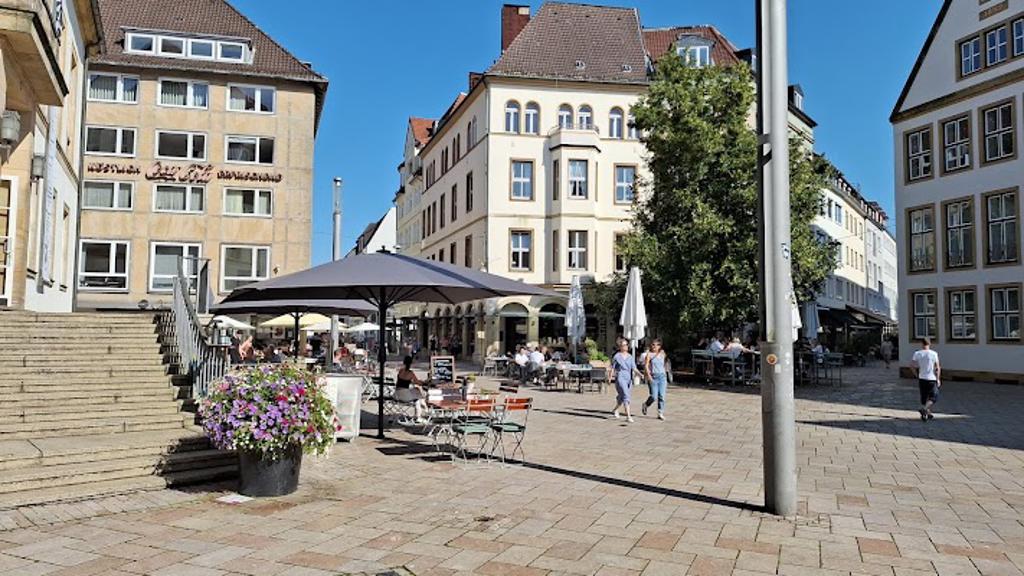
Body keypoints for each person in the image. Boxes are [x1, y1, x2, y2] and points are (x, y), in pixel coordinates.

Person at [911, 338, 940, 422]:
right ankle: (924, 409)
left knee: (924, 397)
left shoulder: (917, 353)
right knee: (934, 397)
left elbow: (911, 366)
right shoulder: (934, 354)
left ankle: (927, 413)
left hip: (922, 378)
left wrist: (916, 374)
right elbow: (937, 368)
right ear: (930, 343)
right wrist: (938, 379)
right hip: (931, 378)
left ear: (922, 344)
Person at [610, 340, 638, 422]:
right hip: (620, 376)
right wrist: (610, 377)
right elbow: (613, 368)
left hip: (628, 378)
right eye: (623, 345)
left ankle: (615, 409)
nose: (625, 346)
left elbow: (634, 368)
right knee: (626, 395)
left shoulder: (630, 357)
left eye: (626, 345)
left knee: (622, 397)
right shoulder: (617, 356)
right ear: (620, 347)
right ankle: (628, 416)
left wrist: (640, 374)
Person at [396, 355, 428, 424]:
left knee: (416, 391)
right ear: (411, 363)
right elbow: (417, 382)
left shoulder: (401, 371)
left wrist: (412, 382)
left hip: (397, 394)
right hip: (404, 396)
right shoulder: (411, 373)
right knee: (417, 396)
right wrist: (424, 382)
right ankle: (419, 415)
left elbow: (404, 380)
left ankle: (424, 406)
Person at [643, 339, 669, 420]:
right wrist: (649, 376)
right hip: (653, 377)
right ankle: (646, 404)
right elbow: (646, 366)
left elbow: (665, 364)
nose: (654, 346)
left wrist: (665, 373)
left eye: (657, 345)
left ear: (659, 346)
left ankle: (660, 412)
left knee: (662, 396)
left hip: (662, 377)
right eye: (653, 344)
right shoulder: (649, 355)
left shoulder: (662, 354)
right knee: (654, 396)